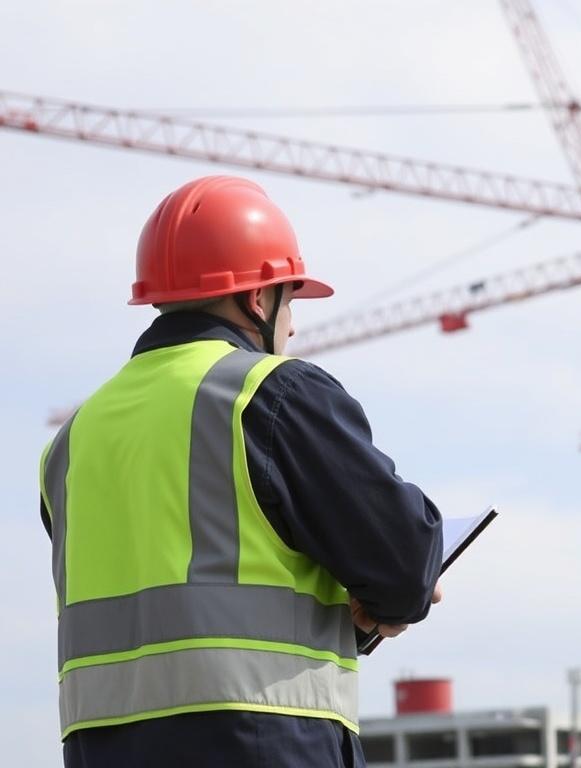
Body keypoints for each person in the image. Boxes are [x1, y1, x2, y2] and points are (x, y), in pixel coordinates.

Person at [39, 175, 444, 768]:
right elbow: (405, 565)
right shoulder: (269, 394)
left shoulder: (71, 442)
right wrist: (392, 597)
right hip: (263, 744)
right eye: (290, 298)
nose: (294, 326)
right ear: (257, 299)